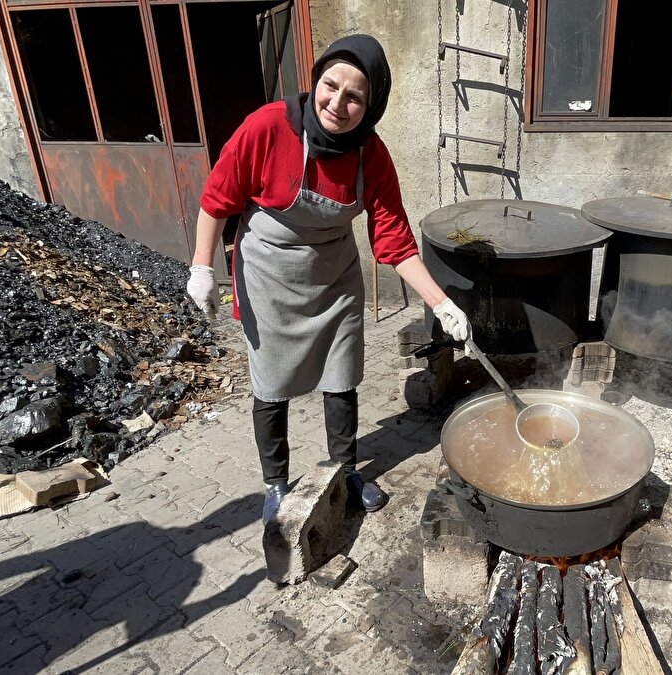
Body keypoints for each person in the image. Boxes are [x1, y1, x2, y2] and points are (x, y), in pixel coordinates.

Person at [185, 34, 469, 522]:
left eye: (355, 96)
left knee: (342, 377)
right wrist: (201, 267)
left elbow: (395, 243)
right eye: (330, 85)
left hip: (335, 278)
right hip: (269, 276)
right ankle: (276, 484)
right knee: (271, 384)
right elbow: (216, 200)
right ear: (315, 81)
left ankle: (345, 470)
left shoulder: (371, 155)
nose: (337, 103)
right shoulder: (267, 127)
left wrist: (441, 304)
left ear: (370, 105)